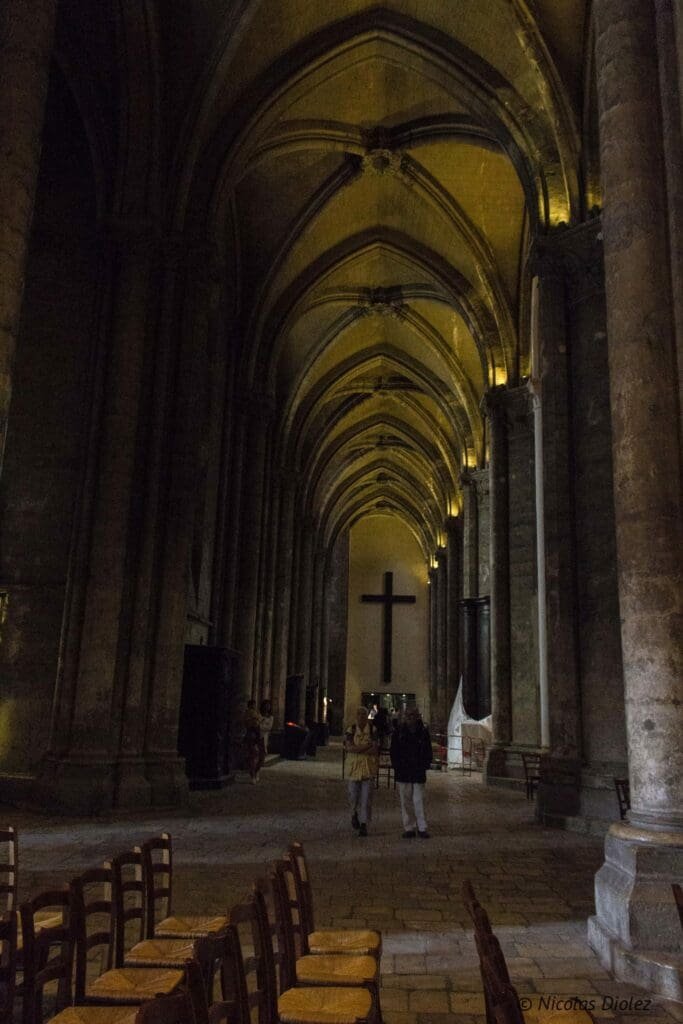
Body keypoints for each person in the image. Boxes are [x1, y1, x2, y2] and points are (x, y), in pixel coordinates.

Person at [390, 706, 433, 838]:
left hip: (418, 770)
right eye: (408, 715)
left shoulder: (423, 732)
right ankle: (409, 827)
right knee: (405, 800)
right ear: (404, 717)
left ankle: (422, 827)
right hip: (403, 770)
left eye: (413, 715)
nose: (411, 718)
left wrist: (425, 764)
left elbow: (428, 750)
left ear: (417, 716)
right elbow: (394, 751)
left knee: (419, 800)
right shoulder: (399, 732)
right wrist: (397, 766)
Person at [344, 706, 378, 837]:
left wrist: (358, 748)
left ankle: (364, 824)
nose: (361, 717)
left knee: (366, 798)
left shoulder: (373, 730)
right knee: (353, 795)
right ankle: (354, 814)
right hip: (354, 768)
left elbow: (374, 749)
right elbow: (349, 748)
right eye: (359, 714)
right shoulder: (351, 730)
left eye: (363, 714)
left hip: (368, 767)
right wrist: (367, 746)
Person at [243, 699, 264, 783]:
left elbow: (259, 722)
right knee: (252, 755)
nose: (254, 706)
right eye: (252, 705)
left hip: (258, 734)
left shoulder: (256, 713)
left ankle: (255, 772)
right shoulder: (248, 713)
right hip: (252, 735)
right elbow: (252, 723)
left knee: (260, 755)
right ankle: (253, 775)